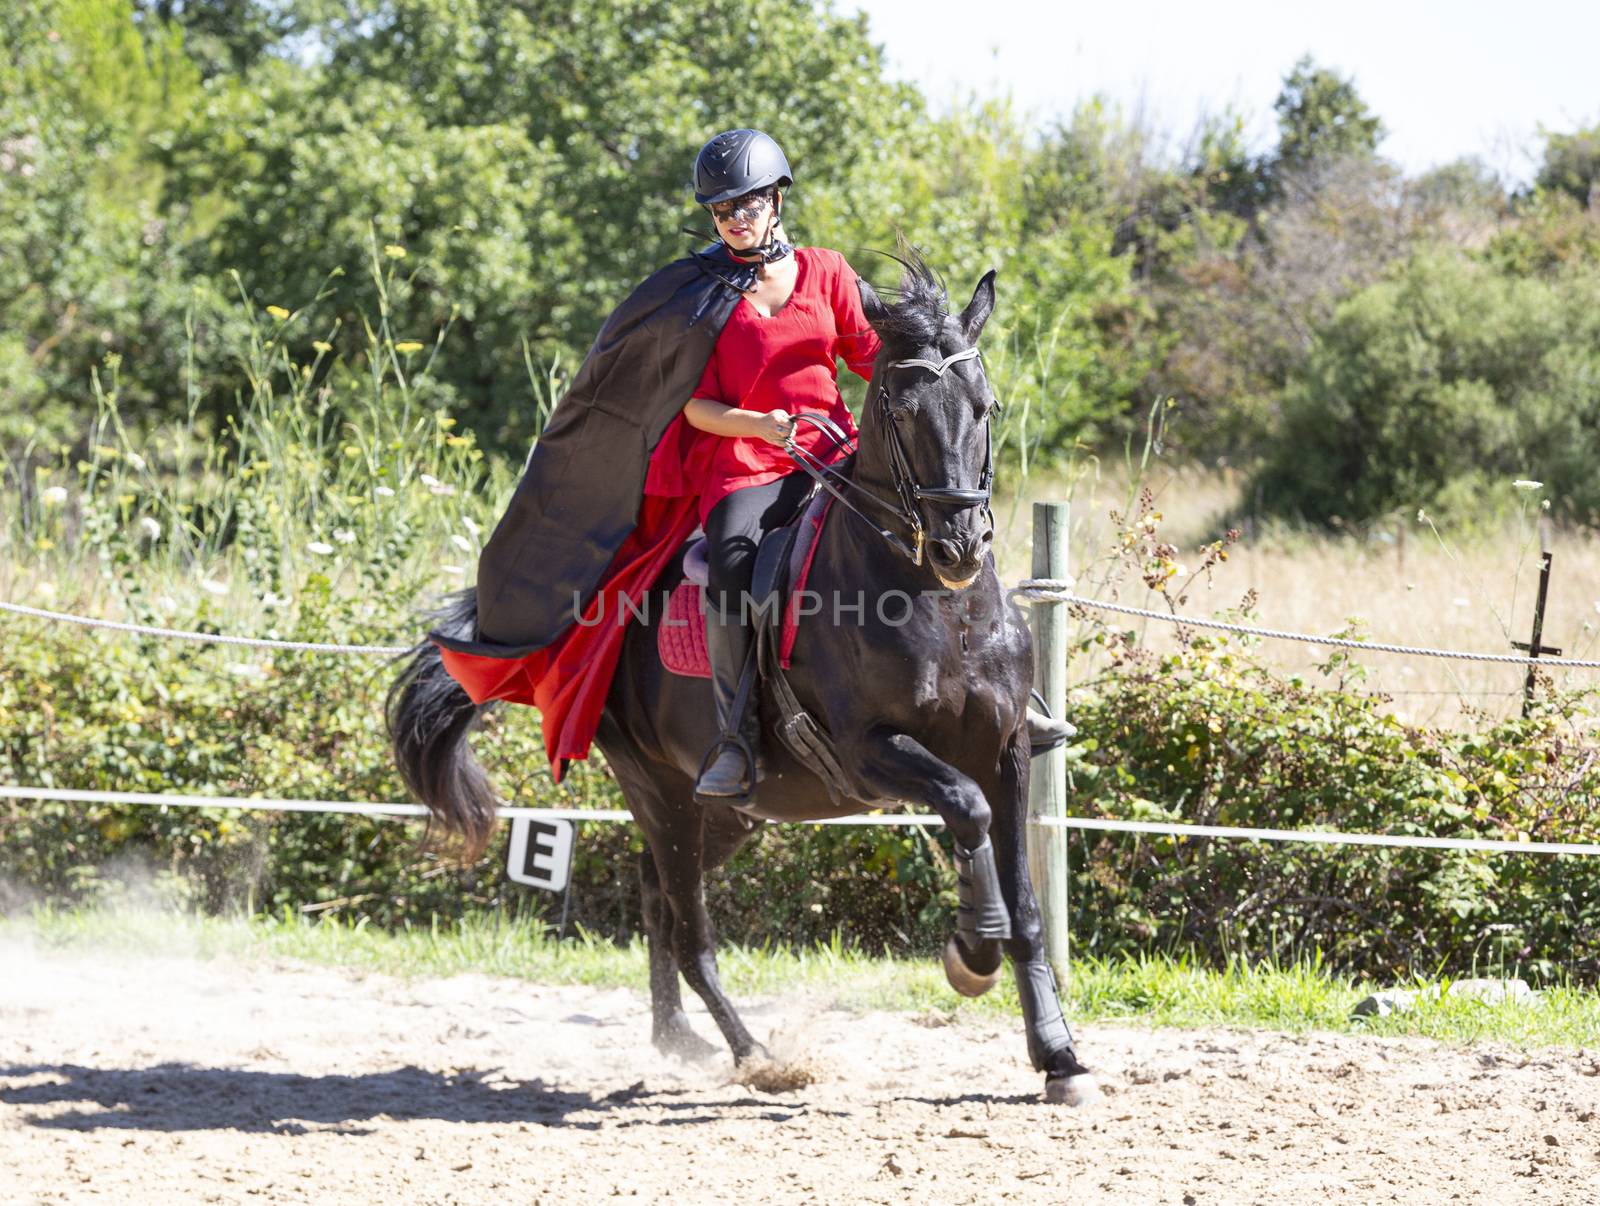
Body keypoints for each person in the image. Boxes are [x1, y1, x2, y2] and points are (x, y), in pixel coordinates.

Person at [674, 128, 877, 802]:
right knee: (732, 565)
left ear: (778, 198)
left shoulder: (828, 271)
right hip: (745, 467)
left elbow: (874, 358)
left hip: (833, 454)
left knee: (919, 525)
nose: (736, 219)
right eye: (722, 210)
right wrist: (759, 423)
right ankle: (735, 737)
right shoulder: (702, 292)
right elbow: (695, 407)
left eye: (748, 204)